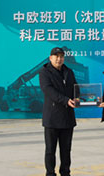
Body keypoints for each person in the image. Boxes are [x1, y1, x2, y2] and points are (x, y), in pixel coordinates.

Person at [39, 47, 77, 176]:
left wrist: (78, 98)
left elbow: (75, 88)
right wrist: (66, 100)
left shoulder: (69, 72)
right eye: (56, 56)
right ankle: (50, 173)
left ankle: (65, 172)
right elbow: (48, 90)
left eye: (61, 56)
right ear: (50, 58)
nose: (59, 59)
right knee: (50, 150)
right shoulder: (44, 72)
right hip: (52, 118)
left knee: (66, 150)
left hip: (67, 117)